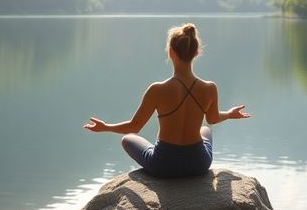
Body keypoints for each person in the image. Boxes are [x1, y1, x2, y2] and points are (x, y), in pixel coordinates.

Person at [83, 23, 250, 178]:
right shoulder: (209, 88)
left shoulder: (157, 90)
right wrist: (229, 114)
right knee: (205, 130)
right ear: (196, 53)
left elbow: (134, 127)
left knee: (127, 139)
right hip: (198, 164)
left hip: (164, 165)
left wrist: (105, 127)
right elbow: (212, 119)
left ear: (170, 52)